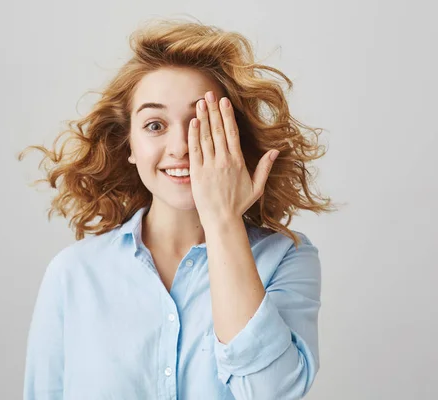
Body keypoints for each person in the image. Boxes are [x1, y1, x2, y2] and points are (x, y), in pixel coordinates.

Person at [18, 17, 337, 400]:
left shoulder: (286, 258)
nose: (181, 147)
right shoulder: (73, 274)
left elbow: (271, 393)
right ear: (129, 145)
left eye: (202, 123)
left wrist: (223, 221)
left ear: (234, 136)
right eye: (154, 125)